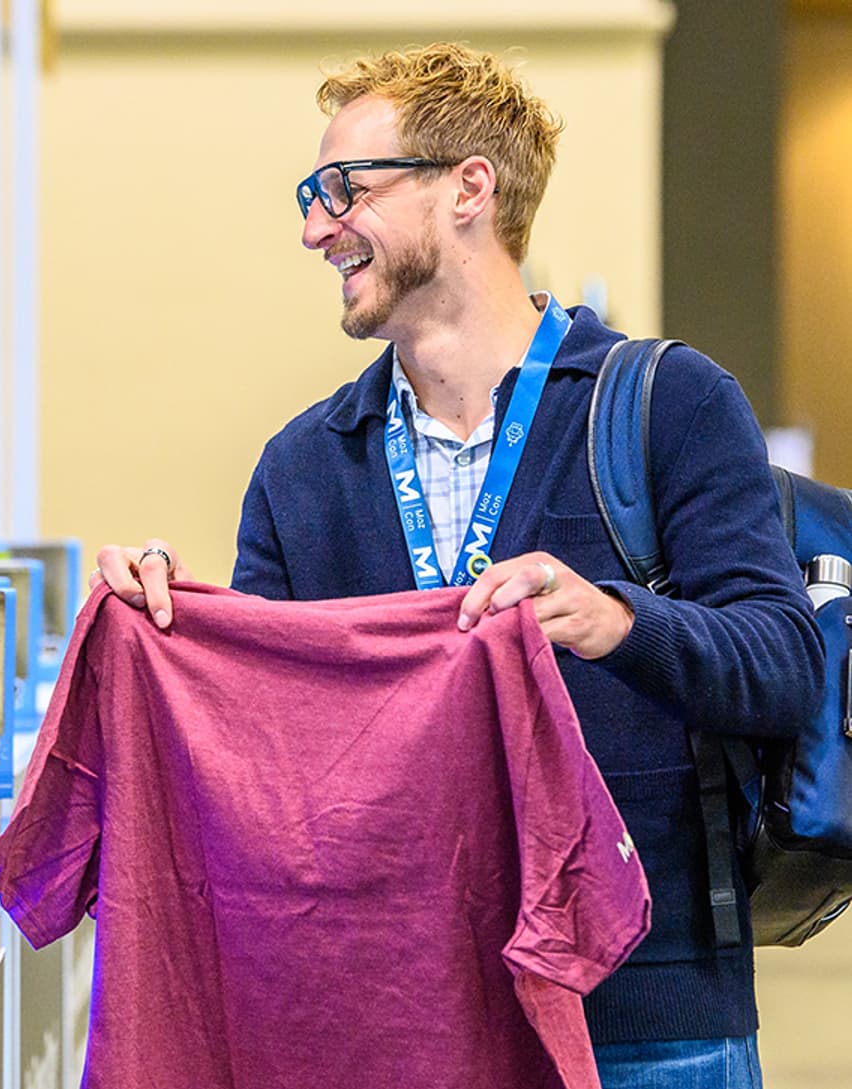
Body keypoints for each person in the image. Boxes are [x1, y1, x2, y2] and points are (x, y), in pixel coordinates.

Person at [93, 43, 822, 1089]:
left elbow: (782, 662)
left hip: (648, 1018)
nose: (313, 228)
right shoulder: (306, 467)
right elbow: (267, 754)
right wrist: (177, 625)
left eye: (343, 188)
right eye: (311, 196)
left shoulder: (668, 405)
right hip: (397, 1023)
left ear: (468, 188)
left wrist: (614, 621)